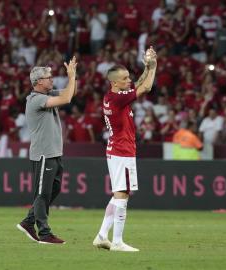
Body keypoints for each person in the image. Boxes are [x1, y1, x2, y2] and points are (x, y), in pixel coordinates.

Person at [93, 46, 157, 252]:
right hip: (122, 151)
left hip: (116, 150)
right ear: (114, 82)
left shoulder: (113, 96)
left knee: (119, 193)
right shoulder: (118, 99)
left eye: (128, 76)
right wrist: (154, 67)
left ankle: (102, 236)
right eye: (124, 78)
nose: (129, 80)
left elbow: (137, 85)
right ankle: (118, 242)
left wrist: (146, 67)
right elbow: (145, 87)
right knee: (122, 194)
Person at [16, 56, 77, 244]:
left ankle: (28, 221)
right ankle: (44, 233)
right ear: (39, 82)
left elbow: (70, 92)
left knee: (53, 189)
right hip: (43, 153)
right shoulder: (36, 100)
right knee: (42, 193)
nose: (52, 80)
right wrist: (71, 75)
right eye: (49, 77)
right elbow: (67, 98)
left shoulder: (47, 95)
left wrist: (72, 78)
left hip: (54, 153)